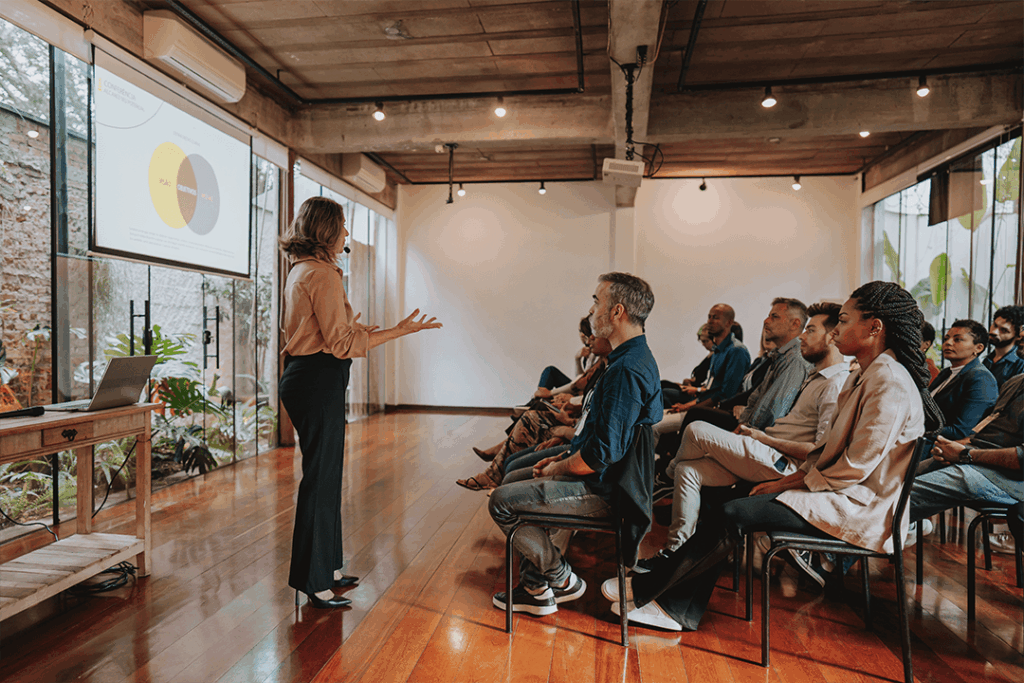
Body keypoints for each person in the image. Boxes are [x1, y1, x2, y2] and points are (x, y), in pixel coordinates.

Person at [601, 281, 942, 631]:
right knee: (730, 502)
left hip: (859, 505)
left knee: (732, 513)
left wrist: (786, 484)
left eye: (843, 320)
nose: (836, 330)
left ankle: (666, 603)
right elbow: (832, 454)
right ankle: (664, 592)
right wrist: (786, 482)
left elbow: (853, 467)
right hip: (839, 491)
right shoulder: (870, 375)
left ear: (874, 328)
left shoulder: (889, 381)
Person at [279, 196, 442, 609]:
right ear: (328, 231)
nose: (348, 234)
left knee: (327, 475)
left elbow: (322, 331)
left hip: (307, 377)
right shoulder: (322, 275)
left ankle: (328, 567)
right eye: (343, 228)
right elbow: (341, 344)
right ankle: (312, 582)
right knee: (321, 479)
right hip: (317, 380)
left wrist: (352, 328)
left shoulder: (303, 269)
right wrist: (399, 331)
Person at [488, 272, 661, 616]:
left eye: (597, 301)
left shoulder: (625, 370)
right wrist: (564, 453)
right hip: (605, 481)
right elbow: (598, 440)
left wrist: (557, 466)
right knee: (512, 479)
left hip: (603, 493)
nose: (592, 308)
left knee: (501, 502)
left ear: (617, 312)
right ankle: (537, 588)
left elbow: (597, 458)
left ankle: (560, 579)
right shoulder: (631, 358)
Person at [637, 302, 848, 571]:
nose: (803, 337)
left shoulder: (833, 384)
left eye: (810, 330)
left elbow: (819, 452)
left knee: (696, 428)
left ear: (831, 336)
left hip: (779, 462)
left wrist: (763, 438)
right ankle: (677, 552)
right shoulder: (816, 377)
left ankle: (663, 477)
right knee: (689, 470)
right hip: (765, 452)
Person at [457, 335, 612, 490]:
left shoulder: (613, 372)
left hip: (577, 436)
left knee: (533, 415)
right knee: (533, 414)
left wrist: (567, 428)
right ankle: (498, 463)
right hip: (576, 428)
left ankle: (498, 463)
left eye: (592, 334)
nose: (588, 339)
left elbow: (594, 427)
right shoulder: (601, 366)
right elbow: (583, 394)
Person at [910, 372, 1023, 543]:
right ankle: (897, 530)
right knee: (897, 480)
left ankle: (885, 530)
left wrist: (964, 454)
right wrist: (953, 447)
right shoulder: (1016, 381)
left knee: (903, 495)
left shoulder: (981, 377)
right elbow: (986, 430)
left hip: (1012, 479)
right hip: (980, 457)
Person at [929, 319, 998, 441]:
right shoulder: (947, 372)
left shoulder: (981, 379)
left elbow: (961, 431)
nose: (948, 343)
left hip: (943, 449)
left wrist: (916, 428)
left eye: (958, 339)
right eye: (946, 338)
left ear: (978, 348)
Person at [535, 316, 597, 392]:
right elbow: (580, 379)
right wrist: (577, 359)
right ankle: (539, 398)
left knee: (550, 371)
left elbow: (582, 384)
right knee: (550, 371)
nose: (581, 335)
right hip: (581, 388)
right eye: (580, 331)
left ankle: (539, 398)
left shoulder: (596, 353)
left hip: (585, 391)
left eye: (583, 331)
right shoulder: (587, 350)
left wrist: (550, 393)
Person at [983, 305, 1024, 389]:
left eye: (1004, 330)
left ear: (1018, 336)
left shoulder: (1020, 363)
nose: (994, 332)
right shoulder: (988, 359)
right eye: (994, 325)